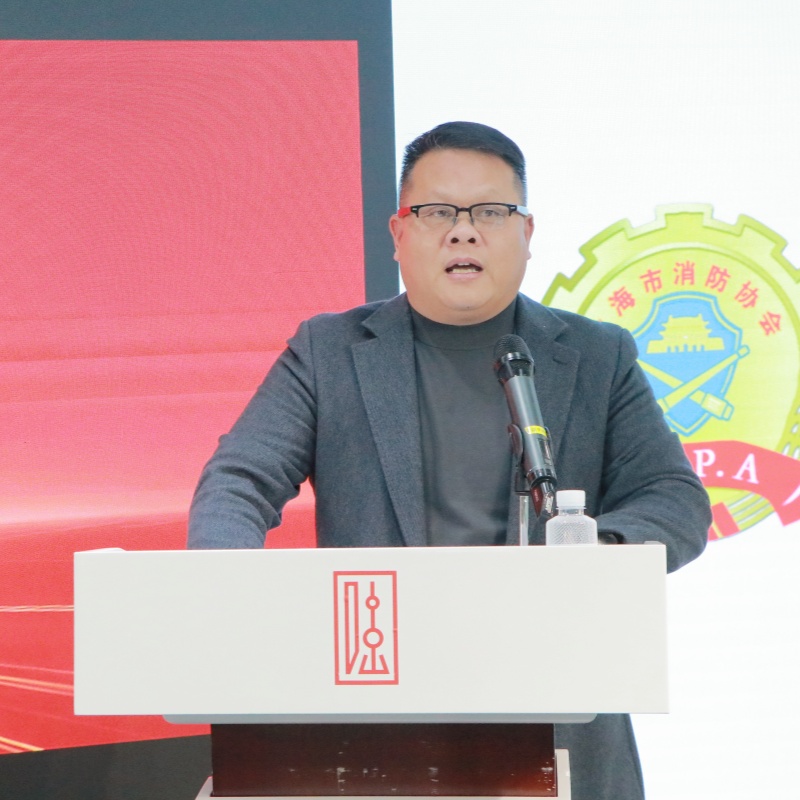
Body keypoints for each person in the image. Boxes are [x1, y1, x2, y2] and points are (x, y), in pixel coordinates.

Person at [188, 121, 711, 799]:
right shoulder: (328, 352)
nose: (463, 233)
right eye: (437, 212)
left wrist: (593, 552)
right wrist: (229, 593)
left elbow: (674, 500)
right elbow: (238, 481)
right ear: (398, 233)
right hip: (381, 727)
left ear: (527, 233)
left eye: (490, 212)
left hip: (557, 723)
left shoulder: (598, 354)